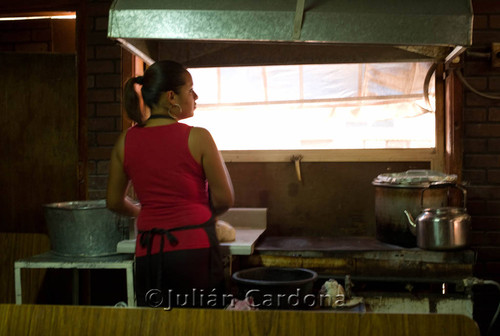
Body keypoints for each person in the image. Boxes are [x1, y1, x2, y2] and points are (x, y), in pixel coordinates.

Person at [106, 60, 234, 308]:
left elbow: (113, 201)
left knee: (158, 326)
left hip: (150, 254)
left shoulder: (126, 141)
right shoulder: (198, 137)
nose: (195, 96)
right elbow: (225, 199)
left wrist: (141, 211)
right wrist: (203, 217)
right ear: (171, 96)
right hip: (196, 253)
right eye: (190, 90)